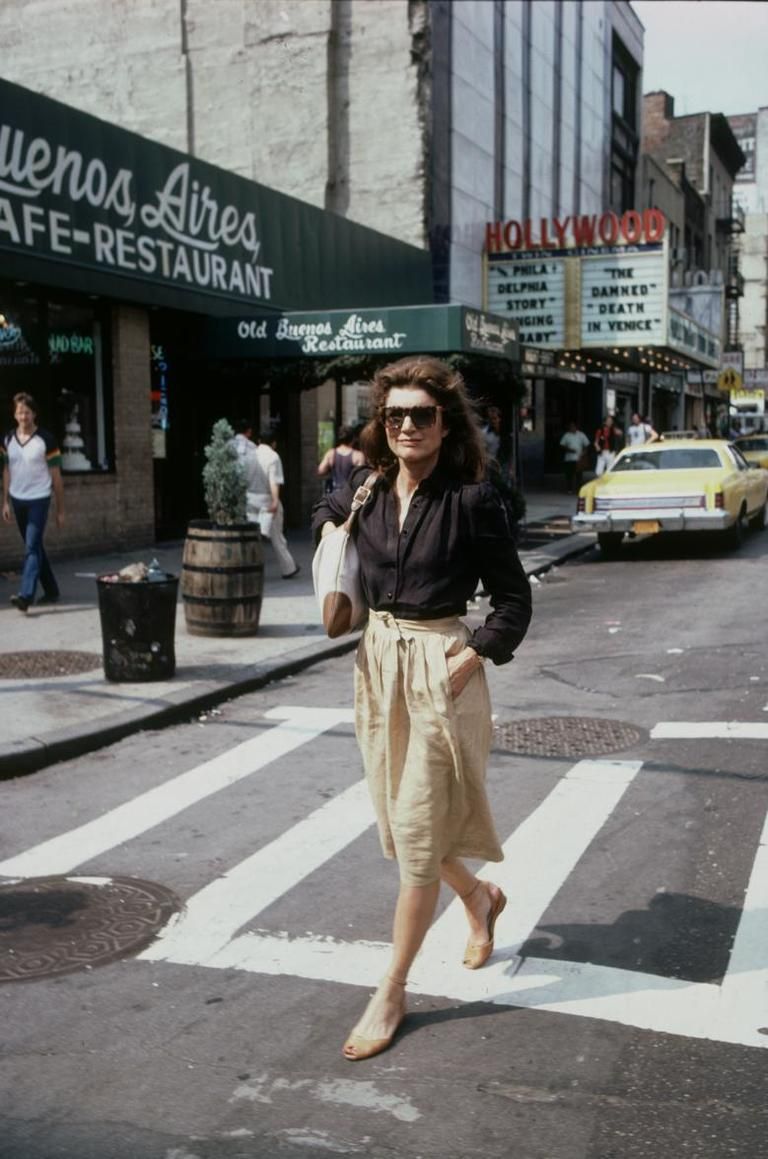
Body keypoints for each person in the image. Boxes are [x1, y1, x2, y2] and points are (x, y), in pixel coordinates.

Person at [312, 356, 532, 1062]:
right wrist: (328, 515)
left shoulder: (472, 498)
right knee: (402, 822)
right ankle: (479, 897)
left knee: (413, 834)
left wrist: (471, 656)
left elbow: (513, 601)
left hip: (440, 667)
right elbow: (325, 510)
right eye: (395, 415)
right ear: (383, 422)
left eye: (422, 415)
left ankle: (393, 987)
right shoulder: (369, 490)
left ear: (446, 423)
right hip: (378, 666)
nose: (407, 425)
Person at [2, 392, 65, 613]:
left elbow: (56, 476)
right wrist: (5, 501)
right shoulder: (8, 439)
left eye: (27, 412)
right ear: (14, 414)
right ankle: (52, 590)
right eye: (19, 412)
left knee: (31, 547)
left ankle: (26, 595)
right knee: (35, 546)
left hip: (39, 499)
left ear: (34, 414)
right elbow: (6, 470)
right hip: (18, 500)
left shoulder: (46, 439)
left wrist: (60, 510)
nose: (23, 416)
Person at [254, 429, 300, 579]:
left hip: (250, 501)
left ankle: (251, 566)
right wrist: (275, 500)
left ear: (259, 441)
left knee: (252, 537)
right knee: (277, 537)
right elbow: (274, 481)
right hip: (267, 501)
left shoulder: (251, 454)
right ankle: (289, 568)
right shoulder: (273, 457)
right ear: (274, 443)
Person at [317, 425, 365, 492]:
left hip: (335, 494)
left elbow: (321, 470)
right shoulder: (358, 455)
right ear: (353, 439)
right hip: (350, 494)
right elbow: (362, 477)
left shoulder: (331, 453)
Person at [559, 420, 590, 493]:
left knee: (579, 475)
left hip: (578, 458)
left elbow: (587, 444)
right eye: (570, 426)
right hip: (569, 459)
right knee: (569, 475)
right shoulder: (566, 435)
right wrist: (568, 449)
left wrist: (584, 452)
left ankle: (578, 490)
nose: (572, 428)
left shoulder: (581, 434)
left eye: (573, 426)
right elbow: (561, 445)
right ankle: (569, 489)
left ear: (576, 427)